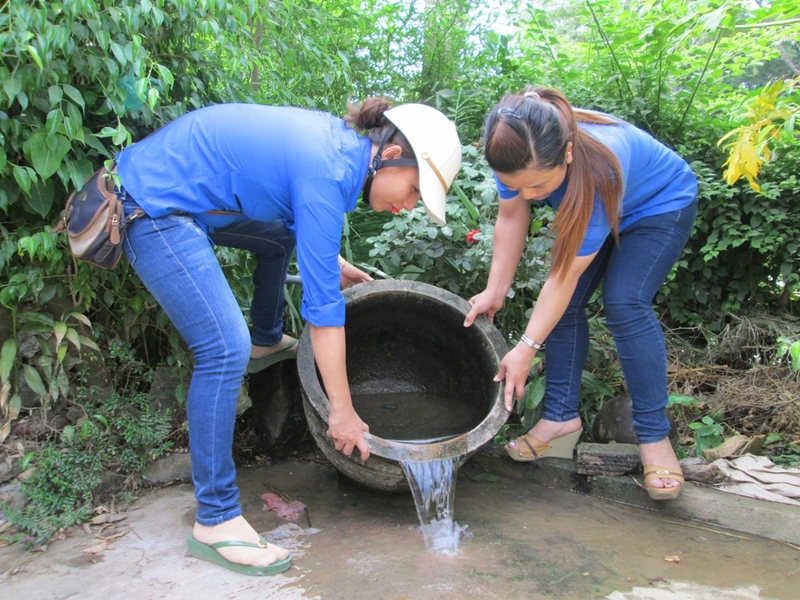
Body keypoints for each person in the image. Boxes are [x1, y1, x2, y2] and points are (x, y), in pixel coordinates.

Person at [112, 99, 462, 574]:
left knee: (278, 240)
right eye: (416, 188)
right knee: (221, 349)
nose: (409, 205)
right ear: (393, 152)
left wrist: (330, 263)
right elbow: (323, 312)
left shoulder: (337, 151)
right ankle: (215, 520)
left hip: (178, 192)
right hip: (149, 205)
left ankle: (267, 337)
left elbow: (293, 212)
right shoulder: (328, 173)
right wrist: (342, 410)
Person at [463, 86, 697, 501]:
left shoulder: (600, 166)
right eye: (519, 185)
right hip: (599, 207)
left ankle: (654, 437)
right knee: (563, 308)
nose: (532, 196)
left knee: (625, 302)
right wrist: (495, 290)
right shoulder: (514, 150)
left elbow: (563, 276)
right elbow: (512, 214)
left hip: (658, 206)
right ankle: (559, 419)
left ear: (567, 154)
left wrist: (526, 346)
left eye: (539, 186)